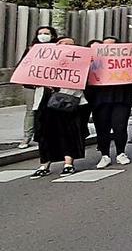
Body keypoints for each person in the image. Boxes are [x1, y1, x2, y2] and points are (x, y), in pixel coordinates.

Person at [30, 37, 88, 178]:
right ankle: (44, 164)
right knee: (44, 135)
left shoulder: (81, 61)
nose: (67, 47)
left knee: (69, 133)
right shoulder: (42, 60)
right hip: (44, 103)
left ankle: (68, 163)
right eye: (63, 44)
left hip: (69, 102)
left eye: (70, 44)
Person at [87, 36, 132, 169]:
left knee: (120, 127)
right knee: (102, 128)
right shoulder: (94, 62)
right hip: (100, 99)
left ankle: (121, 153)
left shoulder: (126, 62)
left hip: (121, 98)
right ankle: (105, 155)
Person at [17, 26, 58, 149]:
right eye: (40, 33)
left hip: (50, 87)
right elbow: (23, 66)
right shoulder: (31, 49)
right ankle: (27, 137)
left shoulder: (58, 49)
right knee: (31, 111)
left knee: (49, 111)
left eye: (46, 33)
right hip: (32, 86)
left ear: (52, 36)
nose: (43, 35)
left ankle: (47, 136)